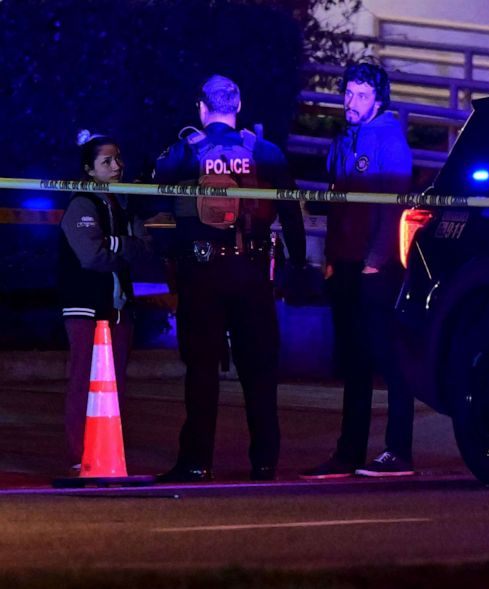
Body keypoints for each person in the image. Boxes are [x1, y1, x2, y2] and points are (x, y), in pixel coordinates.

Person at [154, 74, 307, 482]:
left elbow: (151, 200)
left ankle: (196, 462)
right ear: (238, 106)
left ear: (201, 108)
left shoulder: (183, 153)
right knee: (259, 371)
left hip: (202, 274)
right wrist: (297, 263)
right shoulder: (267, 152)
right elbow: (292, 213)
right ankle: (264, 462)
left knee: (201, 370)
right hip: (253, 272)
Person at [301, 62, 415, 479]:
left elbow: (394, 206)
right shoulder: (342, 140)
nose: (351, 101)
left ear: (377, 100)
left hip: (375, 269)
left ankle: (399, 451)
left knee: (387, 358)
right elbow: (336, 206)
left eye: (361, 95)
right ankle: (348, 453)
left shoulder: (390, 141)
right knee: (354, 362)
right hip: (346, 264)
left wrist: (375, 260)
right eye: (348, 93)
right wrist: (331, 257)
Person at [58, 130, 153, 473]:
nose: (117, 166)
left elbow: (144, 248)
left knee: (115, 388)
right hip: (86, 308)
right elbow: (91, 256)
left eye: (118, 159)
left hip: (119, 309)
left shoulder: (124, 204)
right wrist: (123, 246)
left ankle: (106, 449)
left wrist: (117, 244)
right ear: (89, 169)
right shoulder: (82, 205)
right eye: (107, 161)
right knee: (85, 381)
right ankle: (79, 454)